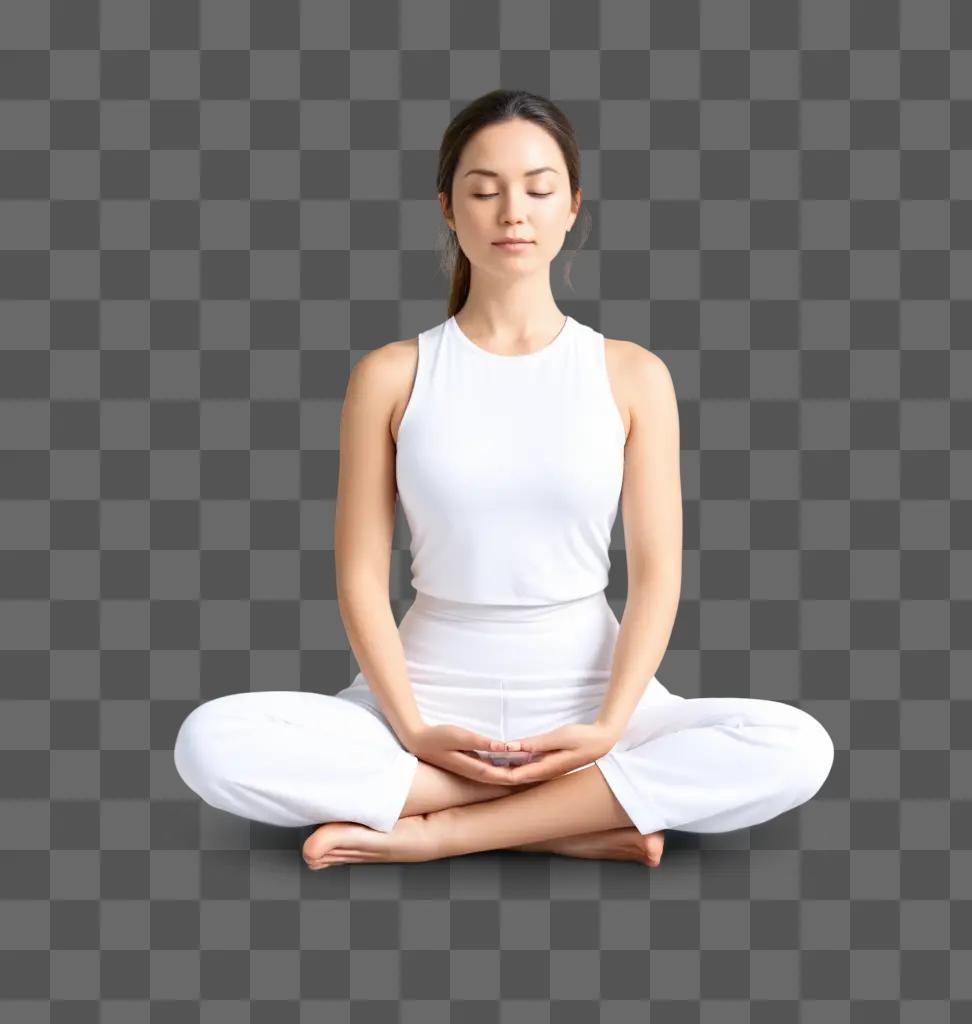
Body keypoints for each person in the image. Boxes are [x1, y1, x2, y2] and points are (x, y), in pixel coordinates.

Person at [173, 89, 835, 869]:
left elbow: (657, 575)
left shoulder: (631, 374)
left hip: (591, 699)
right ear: (450, 209)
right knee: (209, 743)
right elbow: (358, 575)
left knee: (797, 747)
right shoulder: (391, 374)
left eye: (538, 188)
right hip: (422, 698)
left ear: (572, 208)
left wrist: (609, 727)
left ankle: (446, 827)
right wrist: (415, 729)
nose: (512, 211)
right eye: (484, 191)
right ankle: (574, 811)